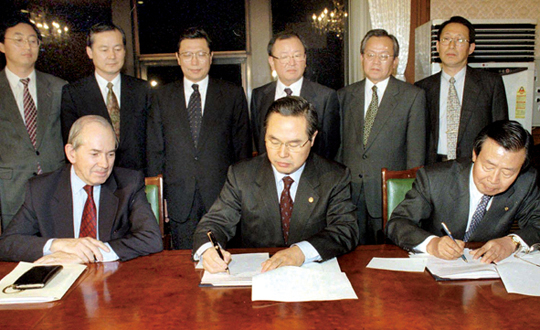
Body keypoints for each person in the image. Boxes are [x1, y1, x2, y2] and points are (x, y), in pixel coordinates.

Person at [192, 96, 359, 274]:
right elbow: (215, 223)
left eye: (294, 144)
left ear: (312, 139)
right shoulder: (242, 175)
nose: (282, 153)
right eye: (274, 141)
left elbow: (345, 229)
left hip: (314, 278)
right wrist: (208, 250)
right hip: (258, 277)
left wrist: (301, 252)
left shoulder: (333, 176)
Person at [0, 115, 163, 263]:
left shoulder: (128, 183)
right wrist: (58, 245)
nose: (104, 164)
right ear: (72, 153)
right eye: (95, 154)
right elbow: (7, 243)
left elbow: (151, 239)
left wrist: (90, 253)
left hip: (113, 281)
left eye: (110, 154)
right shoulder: (42, 189)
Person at [147, 27, 252, 249]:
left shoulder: (232, 94)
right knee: (185, 267)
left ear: (211, 57)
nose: (194, 61)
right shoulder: (161, 97)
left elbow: (242, 152)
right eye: (187, 54)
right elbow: (155, 151)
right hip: (178, 200)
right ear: (177, 58)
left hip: (223, 199)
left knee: (224, 265)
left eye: (201, 54)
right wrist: (159, 198)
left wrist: (242, 198)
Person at [386, 120, 540, 264]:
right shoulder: (435, 179)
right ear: (474, 154)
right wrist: (432, 244)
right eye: (488, 167)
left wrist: (512, 241)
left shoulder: (526, 181)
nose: (494, 179)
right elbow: (398, 222)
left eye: (507, 173)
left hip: (487, 273)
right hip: (434, 268)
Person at [337, 29, 426, 245]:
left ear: (395, 61)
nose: (376, 61)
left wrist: (408, 202)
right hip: (349, 197)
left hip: (389, 198)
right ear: (361, 57)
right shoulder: (344, 96)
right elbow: (338, 149)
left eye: (384, 56)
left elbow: (415, 157)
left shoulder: (412, 96)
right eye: (370, 54)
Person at [0, 13, 67, 230]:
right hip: (10, 190)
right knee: (15, 255)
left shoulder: (59, 87)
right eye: (18, 40)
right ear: (2, 46)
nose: (27, 46)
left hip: (55, 185)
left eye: (32, 40)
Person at [415, 16, 508, 165]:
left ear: (471, 48)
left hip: (475, 166)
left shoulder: (490, 84)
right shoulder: (422, 88)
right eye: (446, 39)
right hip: (433, 168)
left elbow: (501, 134)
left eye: (459, 40)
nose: (451, 46)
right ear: (438, 46)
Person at [61, 22, 151, 172]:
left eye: (117, 49)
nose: (112, 56)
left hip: (137, 179)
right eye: (104, 49)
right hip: (95, 178)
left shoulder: (143, 90)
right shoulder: (74, 93)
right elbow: (72, 144)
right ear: (89, 52)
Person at [251, 31, 340, 159]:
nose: (292, 62)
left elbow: (329, 148)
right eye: (284, 56)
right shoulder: (259, 96)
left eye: (297, 55)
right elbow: (260, 143)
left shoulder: (325, 97)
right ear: (272, 62)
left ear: (305, 59)